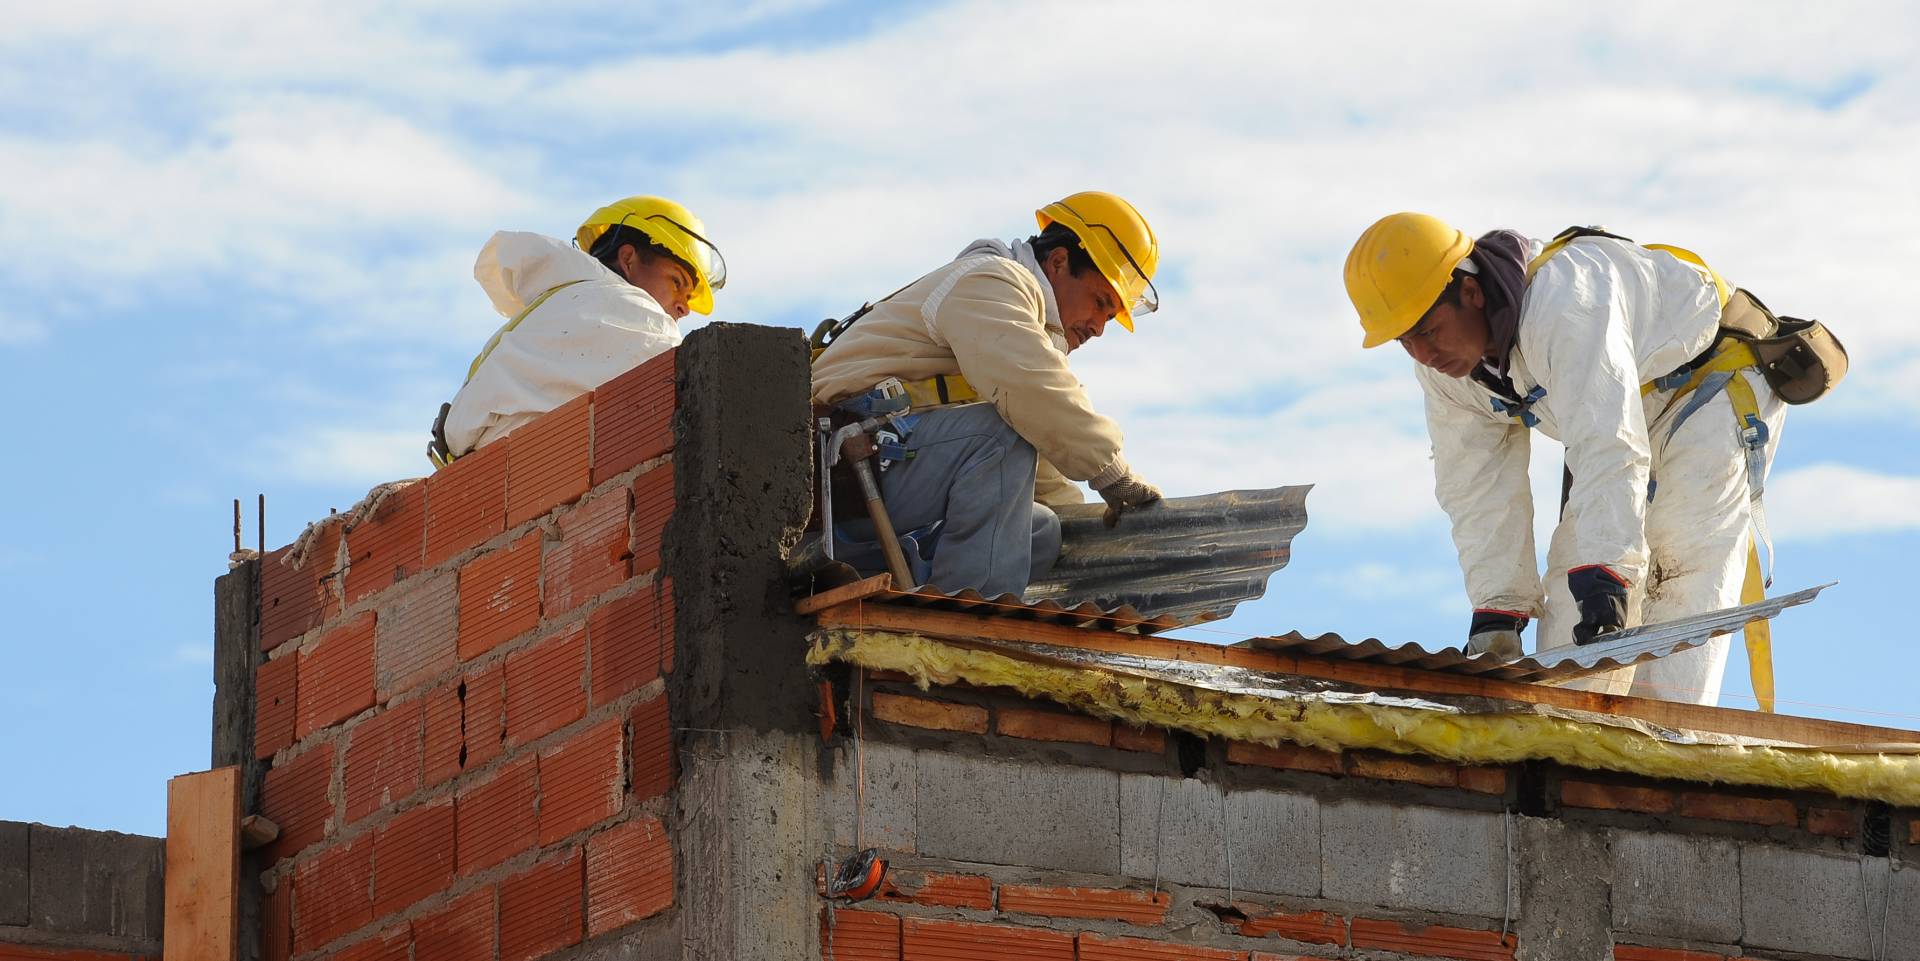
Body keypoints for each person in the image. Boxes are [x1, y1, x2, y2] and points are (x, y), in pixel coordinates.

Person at [1343, 213, 1790, 705]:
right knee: (1568, 624)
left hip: (1712, 387)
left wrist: (1608, 572)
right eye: (1405, 341)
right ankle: (1574, 753)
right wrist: (1499, 609)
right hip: (1630, 406)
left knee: (1676, 569)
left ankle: (1671, 743)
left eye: (1429, 331)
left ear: (1470, 292)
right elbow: (1476, 487)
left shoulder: (1564, 304)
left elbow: (1606, 440)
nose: (1423, 353)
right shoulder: (1447, 374)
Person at [809, 191, 1165, 598]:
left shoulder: (1022, 325)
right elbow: (1031, 390)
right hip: (841, 469)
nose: (1099, 327)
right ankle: (965, 628)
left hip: (887, 470)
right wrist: (1112, 473)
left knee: (1044, 530)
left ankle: (928, 593)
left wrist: (1089, 521)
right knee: (999, 437)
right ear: (1060, 261)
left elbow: (1039, 448)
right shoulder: (991, 280)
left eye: (1110, 317)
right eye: (1100, 302)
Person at [429, 195, 726, 463]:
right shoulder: (636, 313)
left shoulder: (557, 307)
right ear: (628, 259)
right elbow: (684, 389)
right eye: (677, 282)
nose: (684, 308)